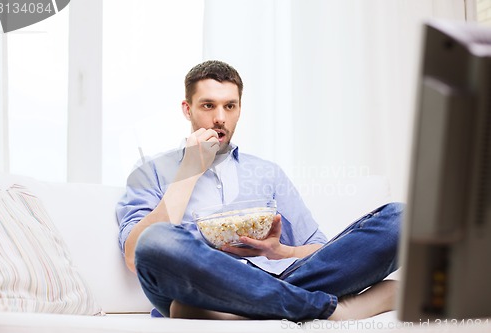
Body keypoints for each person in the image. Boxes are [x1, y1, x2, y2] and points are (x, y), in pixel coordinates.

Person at [116, 60, 403, 321]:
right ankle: (326, 309)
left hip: (277, 277)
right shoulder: (149, 171)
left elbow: (321, 251)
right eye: (208, 106)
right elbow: (136, 254)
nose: (220, 118)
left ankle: (227, 312)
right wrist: (189, 171)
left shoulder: (267, 172)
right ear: (187, 109)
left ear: (239, 109)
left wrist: (281, 251)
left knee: (400, 218)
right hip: (193, 286)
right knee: (155, 242)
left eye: (230, 106)